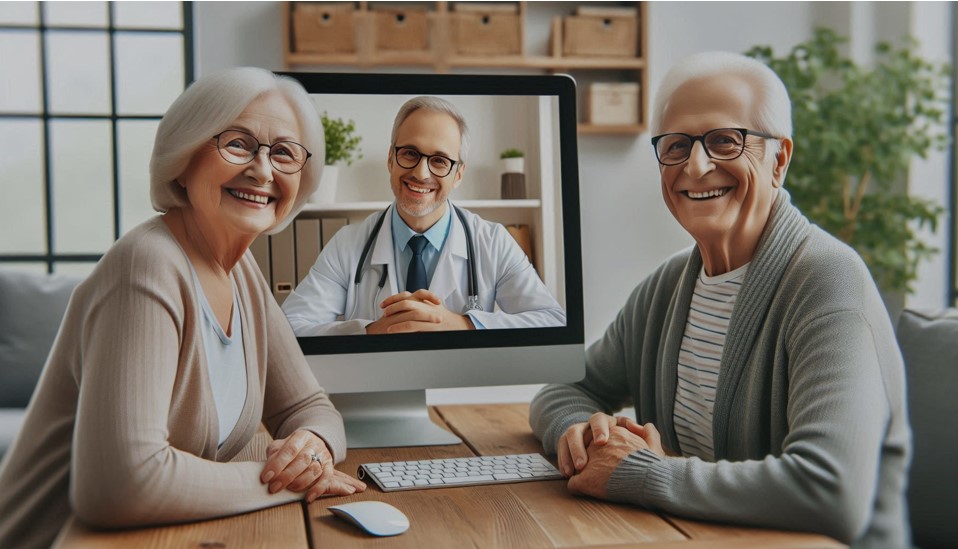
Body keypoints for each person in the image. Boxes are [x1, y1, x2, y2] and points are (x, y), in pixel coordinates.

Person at [529, 51, 909, 548]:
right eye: (676, 145)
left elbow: (831, 491)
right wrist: (583, 434)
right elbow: (560, 389)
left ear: (780, 159)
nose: (697, 165)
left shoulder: (828, 281)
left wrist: (644, 474)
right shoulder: (665, 289)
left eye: (725, 140)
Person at [0, 67, 366, 549]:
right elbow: (120, 486)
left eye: (283, 152)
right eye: (238, 143)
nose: (263, 170)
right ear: (184, 156)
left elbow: (309, 408)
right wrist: (289, 483)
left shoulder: (241, 273)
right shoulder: (147, 266)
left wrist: (312, 448)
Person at [282, 96, 566, 336]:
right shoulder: (348, 244)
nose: (421, 173)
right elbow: (289, 328)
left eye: (440, 161)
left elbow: (553, 321)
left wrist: (461, 324)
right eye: (410, 154)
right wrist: (372, 332)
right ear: (391, 159)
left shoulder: (493, 241)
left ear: (458, 174)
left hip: (457, 391)